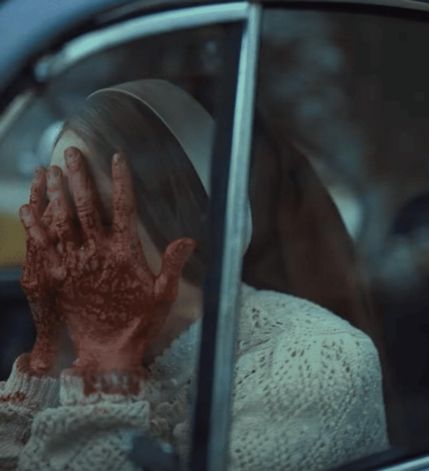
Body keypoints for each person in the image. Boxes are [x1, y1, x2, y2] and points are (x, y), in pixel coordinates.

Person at [0, 80, 389, 470]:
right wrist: (50, 357)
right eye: (56, 213)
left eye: (94, 217)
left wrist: (105, 371)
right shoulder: (81, 346)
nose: (63, 243)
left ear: (180, 223)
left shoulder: (319, 358)